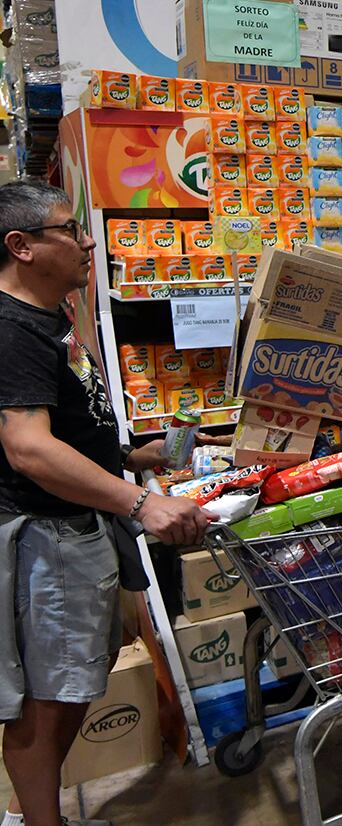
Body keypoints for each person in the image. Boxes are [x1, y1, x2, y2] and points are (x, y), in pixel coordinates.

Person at [0, 180, 215, 826]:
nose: (88, 240)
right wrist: (138, 504)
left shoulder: (50, 316)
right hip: (47, 538)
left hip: (76, 531)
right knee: (46, 701)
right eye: (70, 230)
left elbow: (66, 424)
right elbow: (28, 448)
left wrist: (134, 455)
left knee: (68, 690)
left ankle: (33, 813)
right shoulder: (12, 332)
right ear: (22, 246)